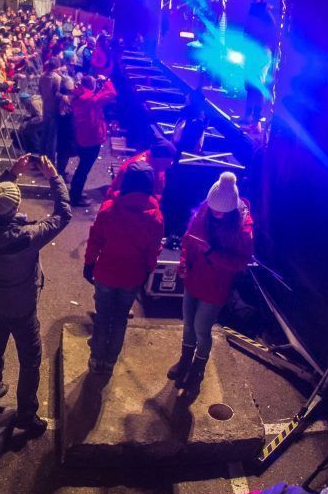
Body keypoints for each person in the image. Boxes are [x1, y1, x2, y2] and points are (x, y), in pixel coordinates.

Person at [0, 154, 71, 435]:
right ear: (16, 208)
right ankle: (26, 414)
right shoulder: (28, 236)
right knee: (30, 360)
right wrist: (54, 178)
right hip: (22, 308)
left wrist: (10, 173)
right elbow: (63, 214)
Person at [169, 172, 254, 399]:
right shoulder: (204, 212)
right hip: (194, 280)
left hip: (215, 287)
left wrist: (212, 253)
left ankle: (197, 373)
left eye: (220, 211)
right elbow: (188, 238)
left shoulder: (243, 229)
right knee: (188, 324)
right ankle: (185, 361)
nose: (215, 213)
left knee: (201, 330)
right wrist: (184, 262)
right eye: (213, 208)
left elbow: (240, 263)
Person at [83, 162, 164, 374]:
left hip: (106, 272)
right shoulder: (155, 217)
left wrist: (89, 263)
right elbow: (153, 250)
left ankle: (96, 359)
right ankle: (110, 361)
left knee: (103, 317)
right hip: (132, 275)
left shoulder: (109, 209)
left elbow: (95, 240)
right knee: (119, 320)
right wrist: (148, 270)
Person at [69, 75, 117, 206]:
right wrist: (106, 80)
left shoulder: (79, 96)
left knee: (82, 168)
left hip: (82, 137)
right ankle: (75, 197)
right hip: (92, 139)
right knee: (83, 169)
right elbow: (112, 94)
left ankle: (75, 192)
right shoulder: (90, 99)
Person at [106, 139, 177, 202]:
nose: (169, 165)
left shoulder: (156, 163)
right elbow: (136, 200)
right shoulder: (140, 170)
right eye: (167, 162)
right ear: (158, 158)